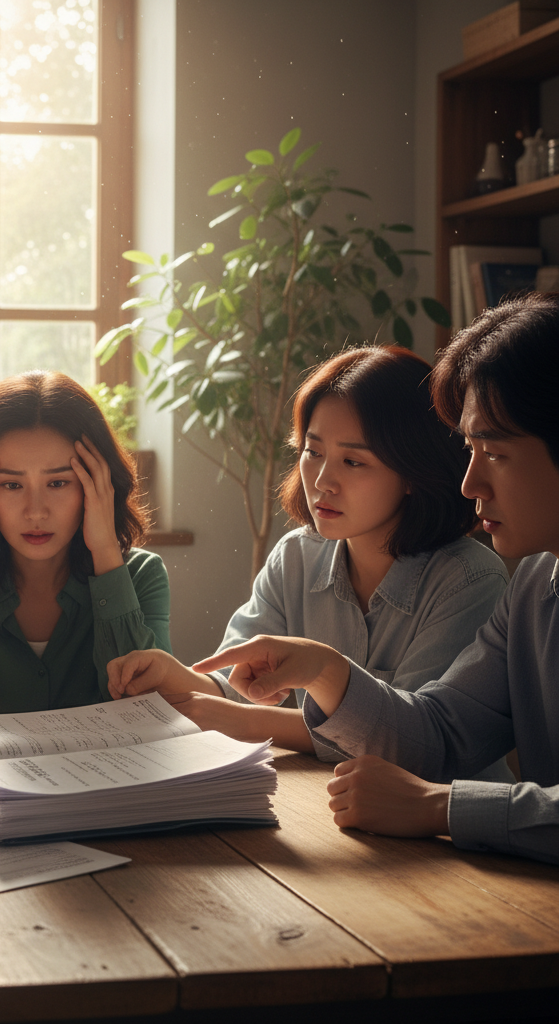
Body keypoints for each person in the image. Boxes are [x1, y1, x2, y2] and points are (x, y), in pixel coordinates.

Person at [192, 293, 559, 864]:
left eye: (496, 452)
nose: (470, 484)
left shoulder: (474, 575)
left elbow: (428, 773)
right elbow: (438, 736)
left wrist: (438, 806)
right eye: (469, 448)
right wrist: (322, 667)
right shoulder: (537, 583)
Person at [108, 346, 510, 778]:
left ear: (414, 472)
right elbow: (238, 691)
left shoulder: (468, 579)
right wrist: (177, 677)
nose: (321, 481)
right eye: (312, 452)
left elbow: (407, 742)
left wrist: (244, 721)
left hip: (442, 833)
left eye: (353, 461)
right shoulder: (298, 556)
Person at [0, 371, 171, 715]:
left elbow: (149, 707)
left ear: (98, 485)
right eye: (11, 485)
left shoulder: (141, 575)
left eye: (58, 483)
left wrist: (105, 550)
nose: (36, 512)